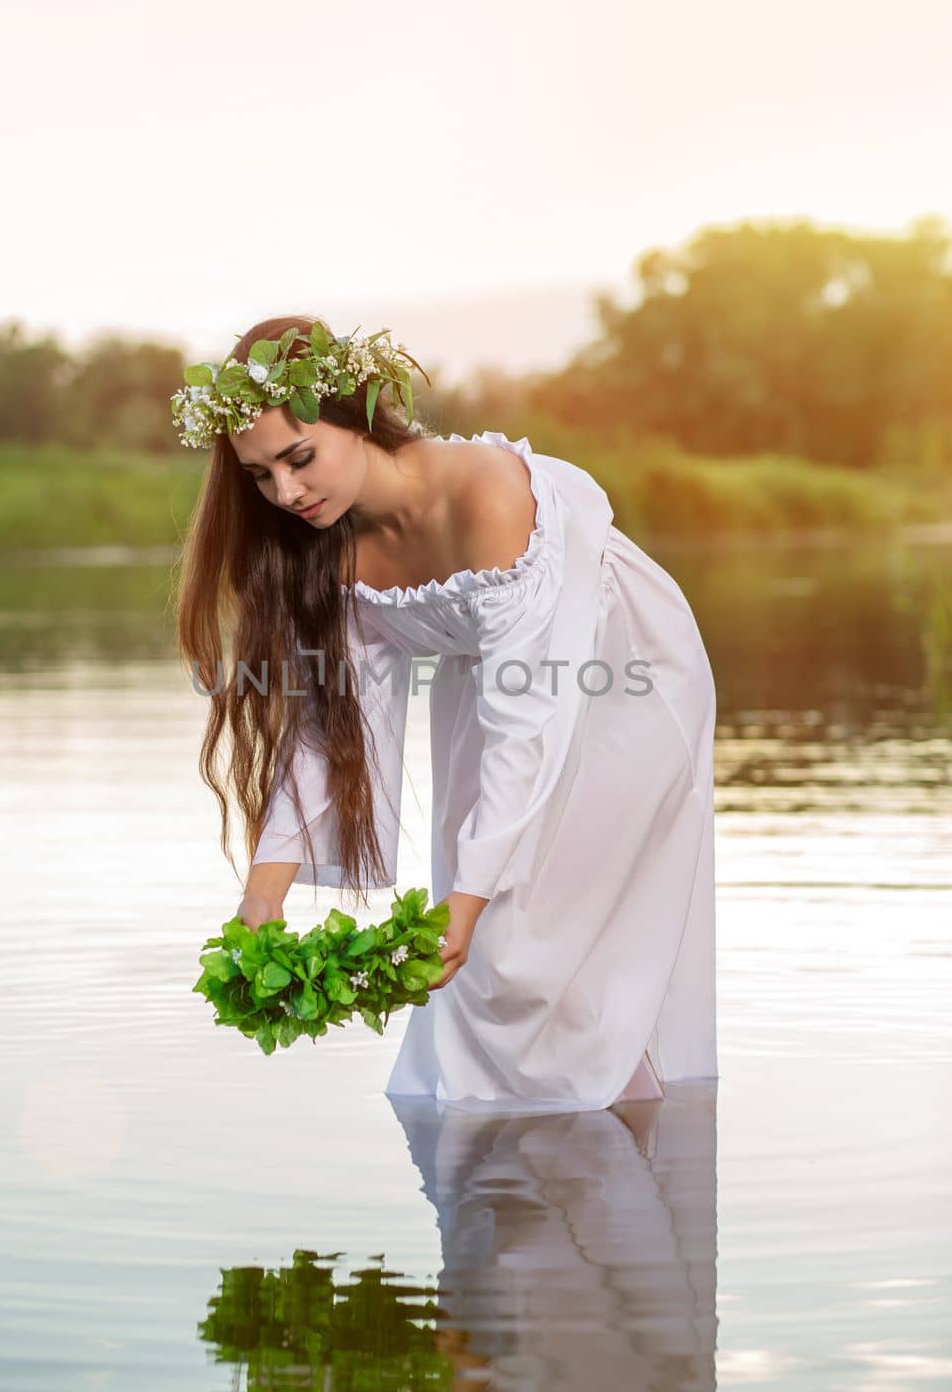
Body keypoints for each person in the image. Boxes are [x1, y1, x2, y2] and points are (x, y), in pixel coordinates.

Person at [174, 314, 718, 1110]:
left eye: (299, 458)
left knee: (523, 945)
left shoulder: (485, 495)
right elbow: (327, 731)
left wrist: (463, 909)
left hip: (624, 678)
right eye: (261, 477)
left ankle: (610, 1163)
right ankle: (572, 1170)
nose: (285, 493)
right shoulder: (327, 548)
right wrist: (263, 896)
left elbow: (525, 723)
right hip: (492, 687)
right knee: (491, 956)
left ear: (356, 418)